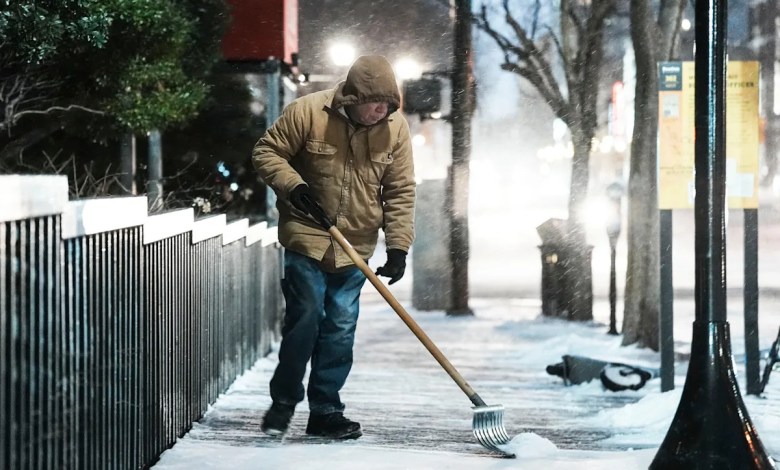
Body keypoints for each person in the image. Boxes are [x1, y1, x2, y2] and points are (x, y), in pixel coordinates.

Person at [251, 55, 416, 440]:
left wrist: (398, 247)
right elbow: (267, 152)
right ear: (352, 96)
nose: (381, 110)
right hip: (307, 236)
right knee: (306, 317)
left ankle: (326, 409)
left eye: (388, 104)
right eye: (375, 102)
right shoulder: (308, 112)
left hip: (355, 246)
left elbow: (400, 190)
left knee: (340, 327)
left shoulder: (395, 129)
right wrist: (295, 186)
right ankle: (284, 400)